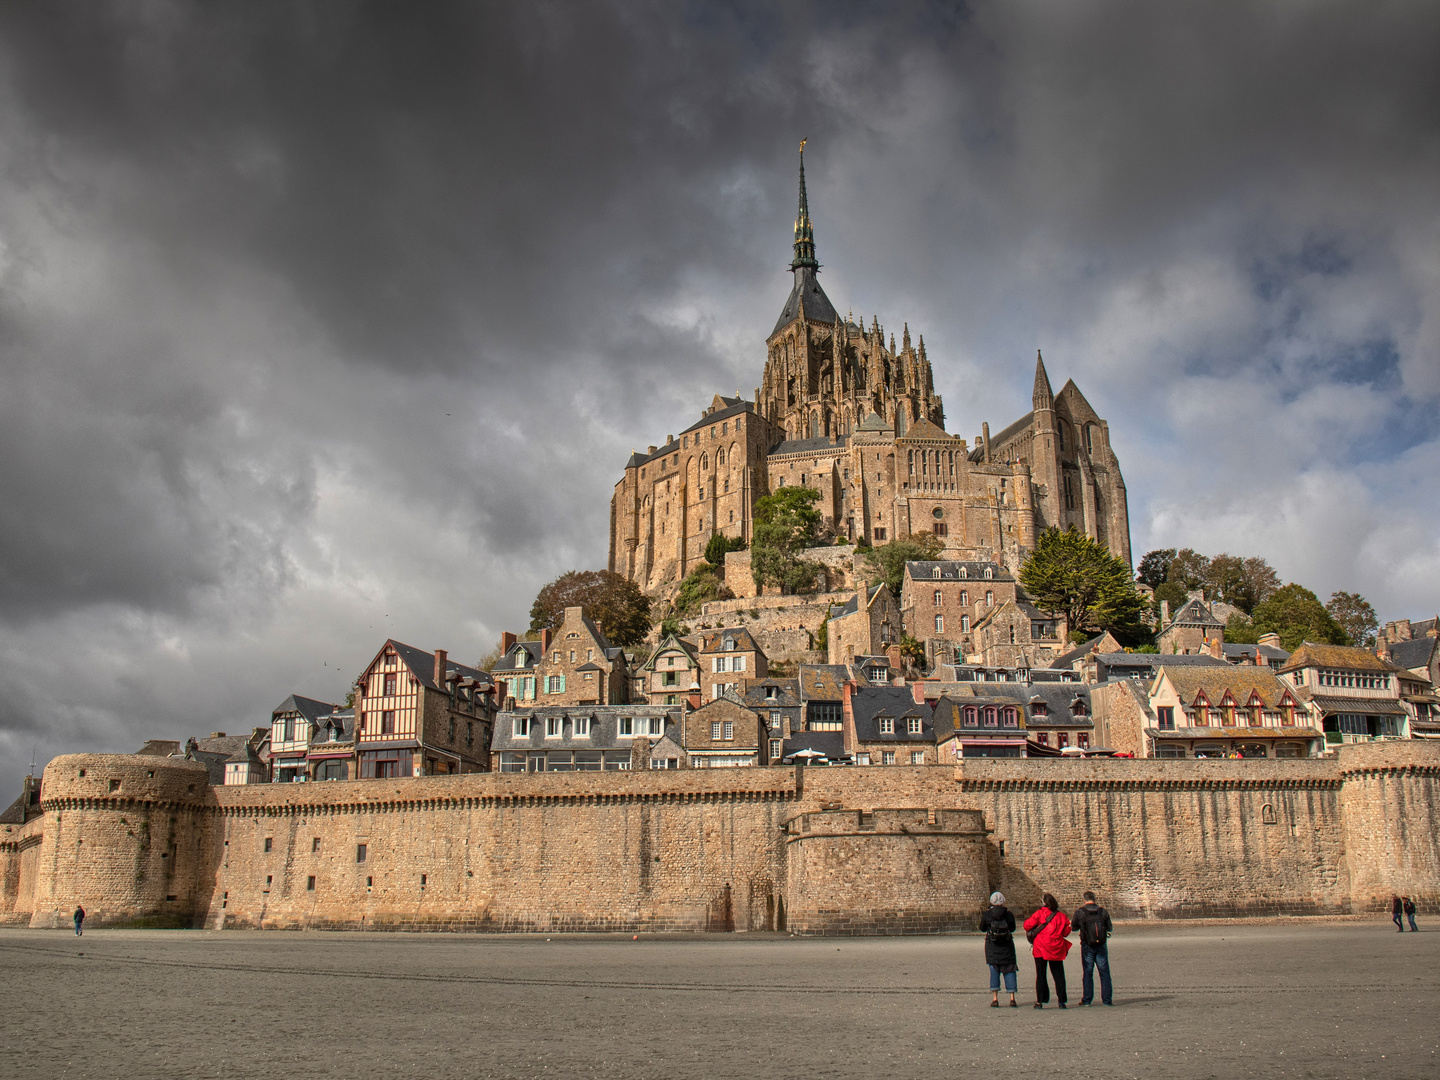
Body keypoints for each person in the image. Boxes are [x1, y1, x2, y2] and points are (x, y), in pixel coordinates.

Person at [1023, 892, 1072, 1009]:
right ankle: (1061, 1001)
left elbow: (1027, 925)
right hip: (1056, 947)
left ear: (1044, 903)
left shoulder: (1040, 913)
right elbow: (1065, 933)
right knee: (1059, 975)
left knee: (1040, 974)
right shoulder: (1061, 916)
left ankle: (1040, 1000)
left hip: (1041, 947)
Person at [1072, 890, 1114, 1006]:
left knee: (1088, 972)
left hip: (1087, 945)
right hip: (1101, 944)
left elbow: (1074, 927)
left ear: (1084, 899)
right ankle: (1107, 999)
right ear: (1095, 899)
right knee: (1104, 972)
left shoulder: (1080, 912)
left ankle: (1087, 999)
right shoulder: (1103, 911)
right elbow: (1110, 928)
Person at [980, 891, 1019, 1008]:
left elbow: (982, 928)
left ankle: (995, 998)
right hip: (1007, 947)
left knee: (994, 971)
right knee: (1010, 970)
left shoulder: (987, 915)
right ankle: (1012, 998)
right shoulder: (1008, 915)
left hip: (993, 947)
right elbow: (1012, 929)